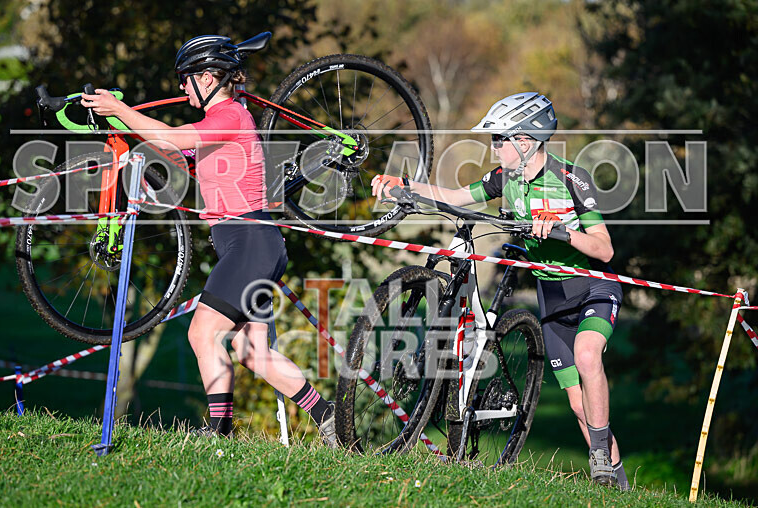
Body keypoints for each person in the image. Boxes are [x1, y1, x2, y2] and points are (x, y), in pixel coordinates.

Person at [81, 35, 337, 446]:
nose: (181, 87)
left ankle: (219, 432)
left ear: (207, 78)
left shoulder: (230, 115)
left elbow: (171, 138)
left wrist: (119, 109)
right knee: (252, 351)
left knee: (203, 333)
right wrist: (124, 130)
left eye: (186, 78)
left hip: (249, 242)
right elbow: (172, 149)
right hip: (254, 245)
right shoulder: (220, 122)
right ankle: (329, 418)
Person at [371, 92, 629, 489]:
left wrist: (563, 231)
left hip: (593, 285)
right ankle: (617, 484)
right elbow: (454, 197)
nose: (493, 147)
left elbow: (605, 248)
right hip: (552, 295)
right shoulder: (503, 180)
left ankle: (599, 461)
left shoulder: (570, 179)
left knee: (587, 355)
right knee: (580, 406)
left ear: (525, 141)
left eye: (499, 139)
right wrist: (405, 185)